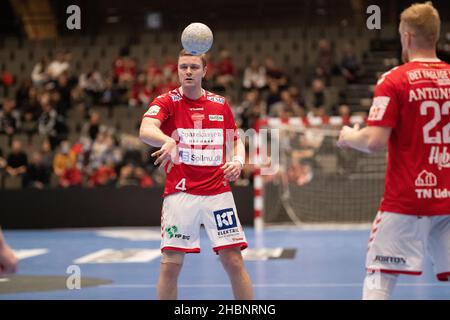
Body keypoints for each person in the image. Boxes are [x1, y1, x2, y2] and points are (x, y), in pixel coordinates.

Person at [337, 2, 450, 299]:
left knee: (379, 276)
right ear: (435, 36)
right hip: (448, 197)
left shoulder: (394, 80)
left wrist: (349, 136)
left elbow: (374, 142)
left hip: (407, 200)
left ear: (407, 37)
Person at [139, 49, 253, 300]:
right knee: (170, 265)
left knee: (234, 261)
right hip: (180, 195)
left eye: (193, 67)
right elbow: (146, 129)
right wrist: (166, 140)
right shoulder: (166, 101)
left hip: (218, 194)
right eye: (183, 67)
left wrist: (237, 160)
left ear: (204, 71)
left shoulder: (220, 104)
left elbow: (236, 141)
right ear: (177, 70)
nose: (188, 72)